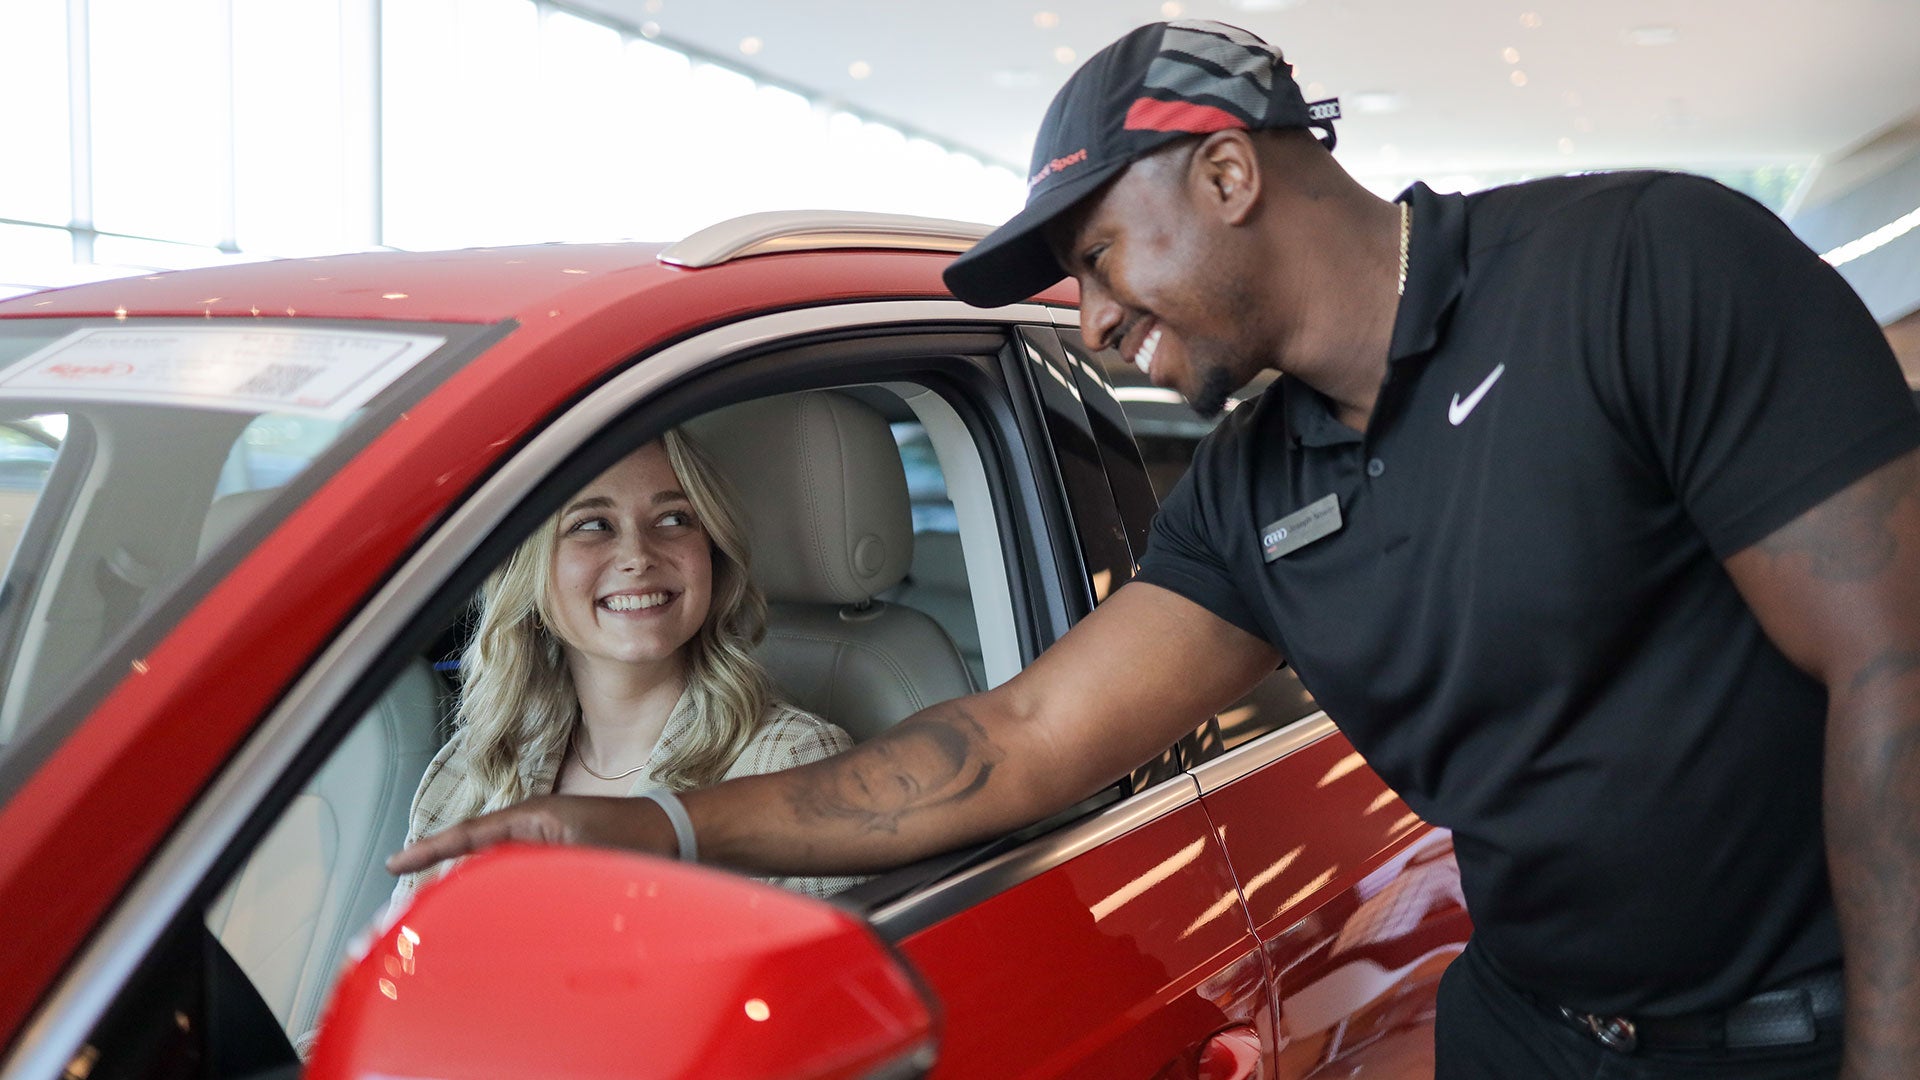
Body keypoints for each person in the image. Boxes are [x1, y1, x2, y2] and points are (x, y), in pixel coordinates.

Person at [391, 20, 1920, 1078]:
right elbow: (1016, 741)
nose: (1096, 320)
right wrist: (658, 828)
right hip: (1527, 1035)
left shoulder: (1641, 271)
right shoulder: (1254, 492)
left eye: (1100, 260)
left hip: (1793, 1033)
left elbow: (1893, 667)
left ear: (1231, 174)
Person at [390, 429, 860, 909]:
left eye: (674, 519)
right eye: (593, 525)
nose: (638, 556)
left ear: (712, 553)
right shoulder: (474, 763)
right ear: (529, 569)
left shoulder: (791, 762)